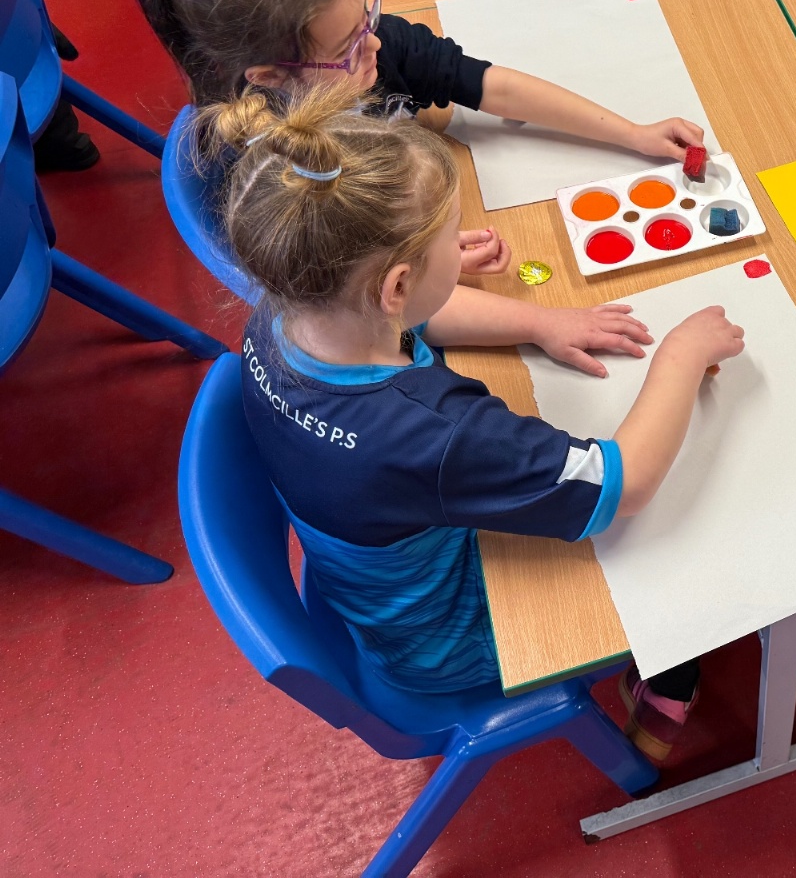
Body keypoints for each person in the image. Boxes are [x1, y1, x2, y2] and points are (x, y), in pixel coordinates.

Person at [205, 82, 740, 753]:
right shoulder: (439, 434)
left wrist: (540, 323)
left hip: (373, 593)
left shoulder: (287, 311)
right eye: (450, 242)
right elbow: (623, 484)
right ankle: (668, 669)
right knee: (697, 537)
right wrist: (682, 356)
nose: (462, 251)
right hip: (451, 642)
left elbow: (417, 315)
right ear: (397, 285)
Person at [132, 0, 705, 311]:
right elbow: (364, 313)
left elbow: (492, 86)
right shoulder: (287, 176)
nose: (375, 46)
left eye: (369, 17)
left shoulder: (370, 45)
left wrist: (632, 133)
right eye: (348, 47)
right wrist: (534, 318)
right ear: (269, 77)